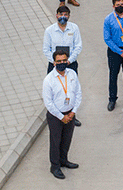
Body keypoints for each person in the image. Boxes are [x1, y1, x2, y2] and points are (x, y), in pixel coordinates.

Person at [42, 50, 80, 179]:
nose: (62, 63)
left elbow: (78, 93)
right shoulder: (49, 80)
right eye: (59, 61)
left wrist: (73, 112)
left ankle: (64, 160)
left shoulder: (72, 74)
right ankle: (55, 166)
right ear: (54, 63)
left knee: (67, 139)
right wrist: (61, 117)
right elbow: (48, 103)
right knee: (55, 141)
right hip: (56, 116)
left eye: (64, 60)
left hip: (70, 113)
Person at [42, 5, 81, 75]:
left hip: (70, 64)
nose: (63, 16)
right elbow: (46, 49)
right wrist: (55, 61)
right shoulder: (49, 30)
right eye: (61, 14)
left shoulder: (74, 28)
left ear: (69, 16)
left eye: (65, 14)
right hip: (54, 65)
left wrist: (69, 60)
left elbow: (78, 46)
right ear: (57, 15)